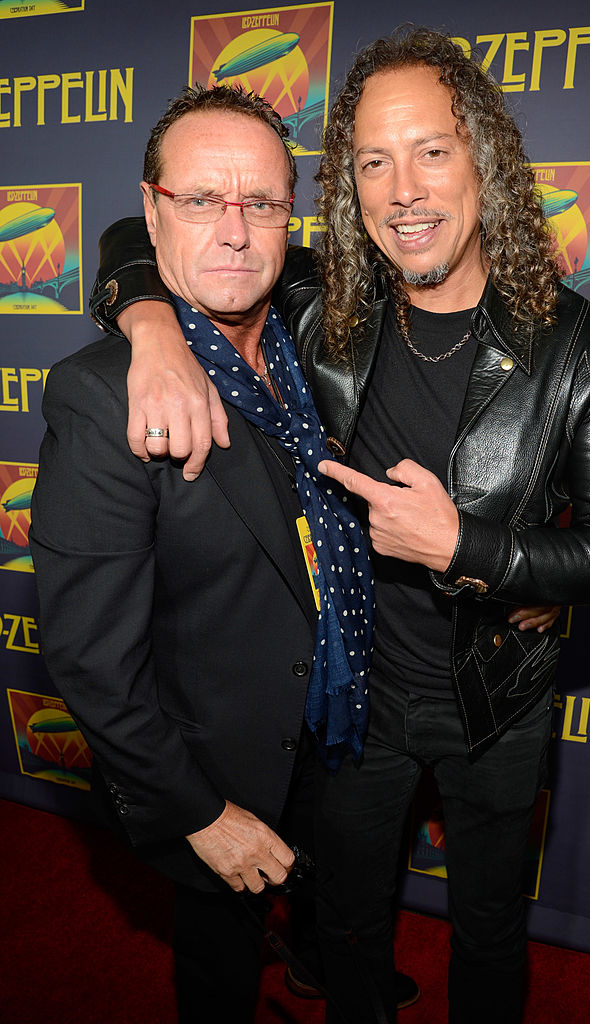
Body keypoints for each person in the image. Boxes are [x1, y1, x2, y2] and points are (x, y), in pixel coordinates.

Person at [88, 27, 590, 1024]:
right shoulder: (324, 306)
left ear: (484, 161)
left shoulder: (576, 346)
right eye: (374, 162)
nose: (405, 190)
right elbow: (149, 233)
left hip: (497, 702)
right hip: (356, 697)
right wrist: (148, 327)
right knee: (347, 922)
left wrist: (474, 552)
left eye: (432, 151)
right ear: (349, 188)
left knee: (489, 929)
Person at [29, 83, 381, 1023]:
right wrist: (199, 813)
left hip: (338, 712)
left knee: (337, 900)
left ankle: (324, 963)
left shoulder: (318, 340)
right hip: (216, 763)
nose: (234, 230)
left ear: (290, 216)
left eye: (261, 202)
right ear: (151, 214)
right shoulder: (107, 398)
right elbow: (90, 659)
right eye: (200, 200)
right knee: (219, 974)